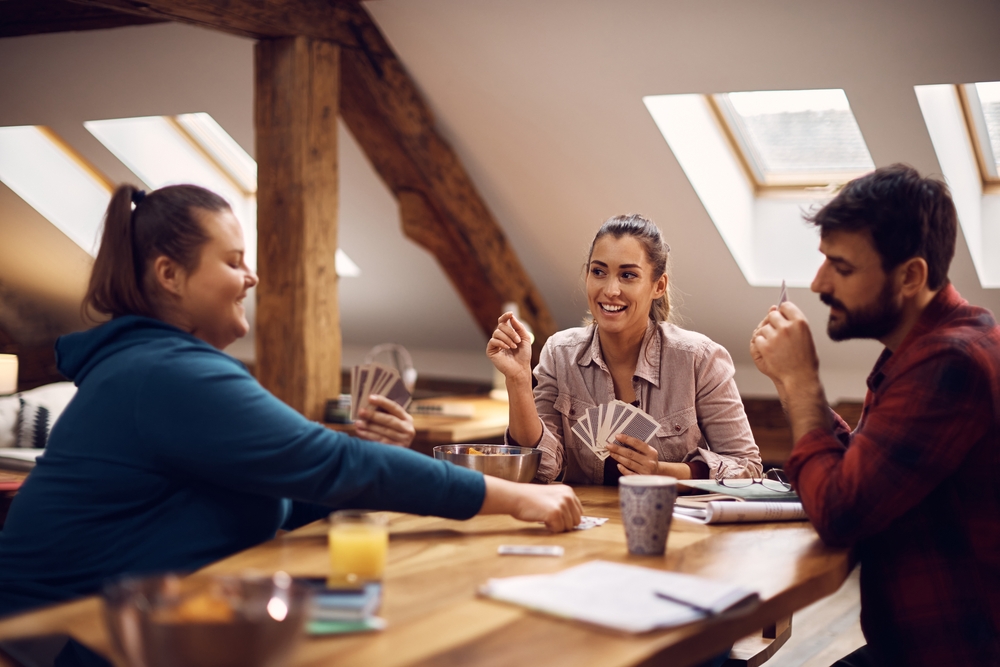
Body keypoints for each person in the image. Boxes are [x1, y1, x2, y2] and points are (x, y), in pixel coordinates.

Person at [0, 184, 582, 618]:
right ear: (169, 275)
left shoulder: (157, 365)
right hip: (60, 638)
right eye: (233, 261)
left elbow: (291, 480)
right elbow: (332, 466)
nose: (250, 277)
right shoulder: (164, 373)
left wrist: (354, 453)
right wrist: (517, 498)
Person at [750, 164, 1000, 666]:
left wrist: (802, 384)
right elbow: (864, 469)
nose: (818, 283)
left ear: (910, 276)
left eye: (841, 268)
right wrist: (795, 389)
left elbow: (841, 513)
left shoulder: (950, 362)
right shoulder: (922, 347)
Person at [488, 214, 761, 485]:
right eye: (599, 272)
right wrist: (518, 379)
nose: (610, 289)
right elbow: (542, 467)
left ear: (658, 286)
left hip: (672, 523)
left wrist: (663, 472)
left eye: (628, 275)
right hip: (583, 523)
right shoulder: (560, 353)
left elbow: (748, 467)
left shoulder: (699, 359)